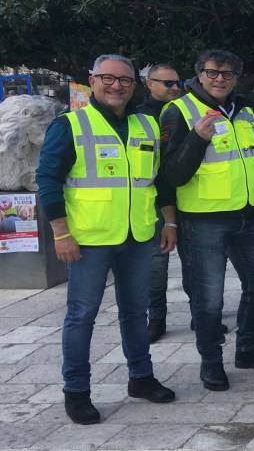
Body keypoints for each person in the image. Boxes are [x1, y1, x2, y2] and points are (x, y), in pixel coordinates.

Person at [37, 54, 176, 424]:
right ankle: (77, 391)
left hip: (137, 236)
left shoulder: (146, 125)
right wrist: (61, 233)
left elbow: (156, 181)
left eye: (125, 80)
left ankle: (141, 378)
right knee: (82, 316)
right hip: (88, 239)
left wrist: (169, 223)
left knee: (135, 311)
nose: (116, 86)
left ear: (135, 86)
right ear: (92, 80)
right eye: (107, 78)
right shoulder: (70, 125)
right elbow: (48, 181)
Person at [159, 49, 254, 391]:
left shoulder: (244, 109)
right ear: (199, 74)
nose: (220, 79)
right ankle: (211, 361)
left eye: (227, 74)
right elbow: (171, 175)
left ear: (236, 78)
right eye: (213, 72)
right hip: (202, 223)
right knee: (209, 299)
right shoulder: (179, 111)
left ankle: (248, 348)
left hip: (247, 217)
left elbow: (253, 163)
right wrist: (198, 139)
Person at [138, 64, 184, 344]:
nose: (175, 88)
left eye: (178, 83)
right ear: (149, 84)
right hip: (155, 204)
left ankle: (200, 314)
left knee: (194, 266)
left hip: (189, 199)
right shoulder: (140, 118)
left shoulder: (186, 112)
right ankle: (156, 318)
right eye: (168, 84)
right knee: (156, 267)